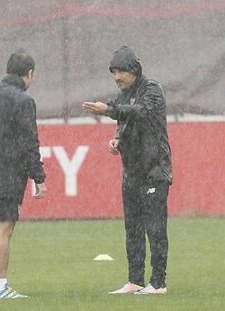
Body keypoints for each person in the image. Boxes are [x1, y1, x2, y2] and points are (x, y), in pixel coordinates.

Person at [82, 46, 172, 294]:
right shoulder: (122, 95)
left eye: (121, 71)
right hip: (131, 173)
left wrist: (109, 110)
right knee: (132, 229)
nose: (117, 77)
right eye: (113, 72)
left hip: (155, 171)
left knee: (155, 229)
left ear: (134, 70)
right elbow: (127, 124)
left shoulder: (152, 89)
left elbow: (141, 113)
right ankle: (135, 281)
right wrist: (117, 139)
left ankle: (158, 283)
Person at [0, 50, 47, 299]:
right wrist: (39, 177)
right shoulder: (24, 102)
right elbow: (29, 143)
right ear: (30, 73)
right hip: (8, 173)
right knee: (4, 227)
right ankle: (0, 288)